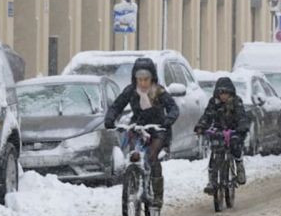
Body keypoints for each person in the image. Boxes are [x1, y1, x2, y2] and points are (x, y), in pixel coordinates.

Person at [104, 57, 179, 207]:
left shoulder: (159, 91)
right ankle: (133, 181)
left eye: (146, 79)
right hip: (137, 127)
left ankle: (157, 194)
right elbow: (116, 106)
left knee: (152, 157)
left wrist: (168, 120)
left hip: (158, 129)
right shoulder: (130, 91)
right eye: (139, 79)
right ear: (134, 79)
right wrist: (110, 119)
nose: (143, 83)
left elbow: (173, 108)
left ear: (152, 78)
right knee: (134, 155)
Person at [194, 77, 249, 194]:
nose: (223, 96)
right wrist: (201, 126)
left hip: (234, 130)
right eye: (221, 93)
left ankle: (239, 166)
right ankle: (212, 181)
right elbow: (207, 116)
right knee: (215, 151)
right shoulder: (213, 102)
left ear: (231, 93)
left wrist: (241, 128)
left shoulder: (236, 102)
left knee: (235, 145)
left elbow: (242, 117)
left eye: (226, 93)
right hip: (218, 130)